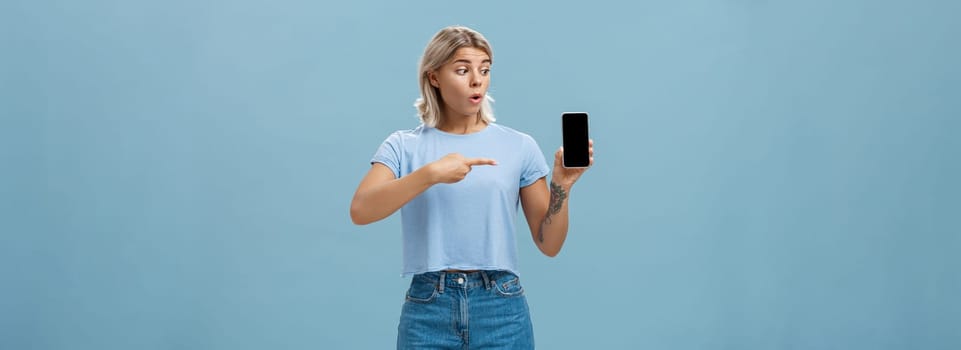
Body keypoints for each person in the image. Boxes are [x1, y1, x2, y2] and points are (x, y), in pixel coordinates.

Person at [349, 25, 593, 349]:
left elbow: (549, 244)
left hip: (501, 308)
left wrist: (562, 187)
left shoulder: (519, 146)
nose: (477, 80)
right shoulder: (403, 146)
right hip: (428, 308)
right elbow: (361, 209)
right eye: (462, 70)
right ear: (434, 77)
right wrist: (431, 173)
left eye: (485, 69)